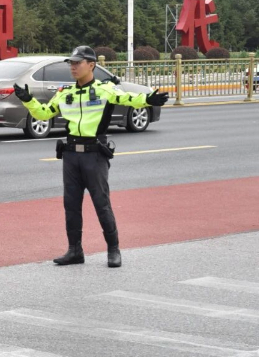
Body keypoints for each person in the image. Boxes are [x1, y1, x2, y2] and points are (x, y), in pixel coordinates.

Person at [13, 46, 169, 267]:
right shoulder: (65, 92)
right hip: (70, 156)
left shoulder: (105, 90)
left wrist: (149, 99)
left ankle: (113, 250)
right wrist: (27, 99)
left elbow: (128, 98)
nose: (73, 67)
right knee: (71, 205)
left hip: (94, 155)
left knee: (101, 204)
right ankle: (75, 251)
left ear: (91, 65)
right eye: (71, 63)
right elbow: (44, 114)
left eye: (78, 63)